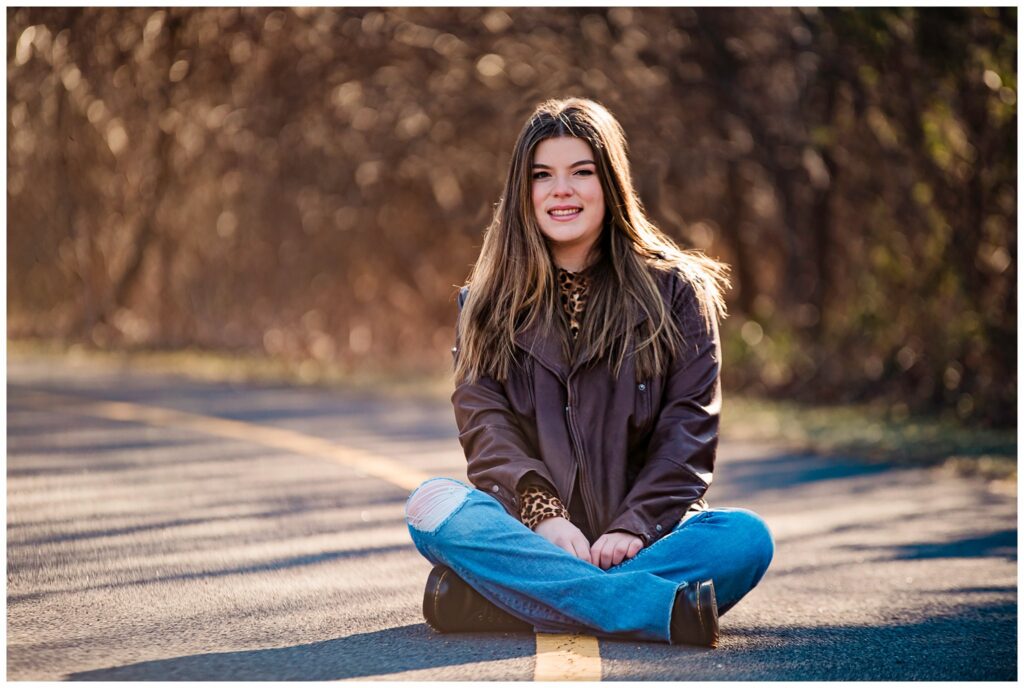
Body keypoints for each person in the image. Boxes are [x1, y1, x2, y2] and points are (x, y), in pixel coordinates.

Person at [404, 97, 773, 647]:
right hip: (531, 534)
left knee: (745, 537)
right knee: (432, 504)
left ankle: (502, 599)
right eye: (542, 175)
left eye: (582, 172)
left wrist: (634, 526)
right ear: (522, 191)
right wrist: (543, 515)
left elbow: (689, 430)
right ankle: (655, 608)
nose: (562, 190)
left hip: (651, 540)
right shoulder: (483, 303)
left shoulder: (677, 293)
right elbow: (485, 427)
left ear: (611, 183)